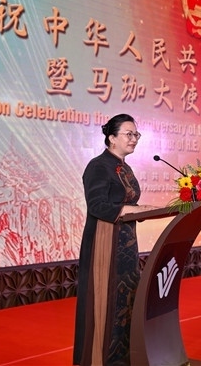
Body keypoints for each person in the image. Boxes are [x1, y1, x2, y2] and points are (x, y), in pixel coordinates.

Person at [73, 113, 155, 366]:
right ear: (111, 138)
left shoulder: (123, 167)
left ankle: (122, 359)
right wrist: (137, 210)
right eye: (128, 134)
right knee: (106, 302)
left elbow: (127, 204)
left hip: (126, 244)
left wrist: (142, 211)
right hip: (105, 244)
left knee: (126, 301)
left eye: (136, 134)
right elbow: (97, 206)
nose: (134, 139)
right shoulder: (98, 166)